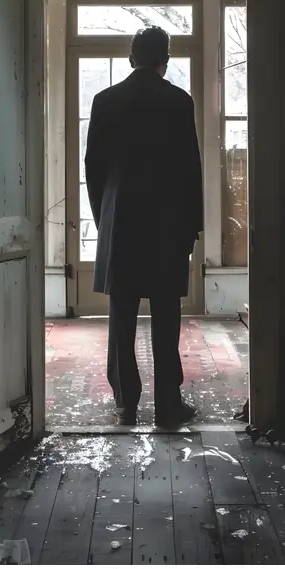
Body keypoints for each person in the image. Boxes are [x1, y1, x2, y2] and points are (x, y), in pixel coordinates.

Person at [85, 26, 203, 427]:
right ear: (165, 59)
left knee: (122, 315)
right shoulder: (178, 101)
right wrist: (191, 227)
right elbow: (191, 170)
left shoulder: (106, 101)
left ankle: (126, 402)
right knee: (166, 315)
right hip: (167, 225)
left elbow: (94, 169)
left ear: (132, 57)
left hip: (121, 223)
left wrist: (104, 217)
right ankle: (168, 404)